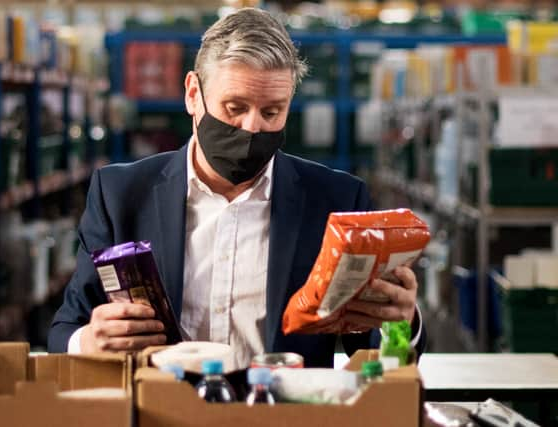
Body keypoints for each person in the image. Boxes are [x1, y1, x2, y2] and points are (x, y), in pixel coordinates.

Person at [48, 7, 425, 368]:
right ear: (193, 95)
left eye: (272, 111)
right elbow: (66, 330)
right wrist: (89, 341)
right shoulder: (120, 195)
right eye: (234, 107)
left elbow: (372, 349)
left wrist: (400, 324)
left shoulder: (337, 201)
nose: (251, 127)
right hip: (160, 408)